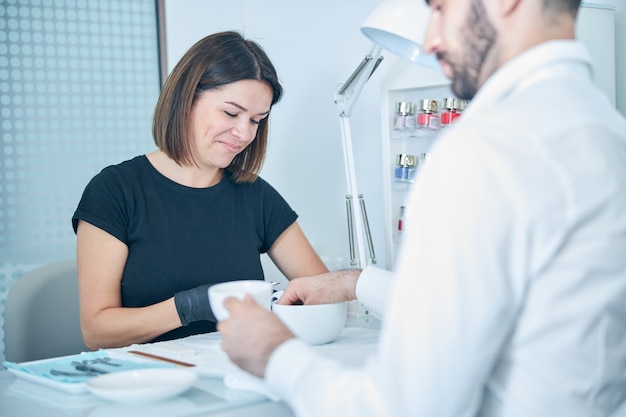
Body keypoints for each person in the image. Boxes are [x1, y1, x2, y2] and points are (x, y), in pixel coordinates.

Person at [218, 0, 626, 416]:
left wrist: (275, 355)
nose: (430, 40)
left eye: (441, 8)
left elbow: (401, 408)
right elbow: (509, 309)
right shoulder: (608, 133)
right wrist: (359, 282)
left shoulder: (487, 151)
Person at [72, 31, 328, 350]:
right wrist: (189, 307)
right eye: (231, 113)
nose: (244, 133)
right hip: (146, 383)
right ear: (188, 98)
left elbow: (320, 292)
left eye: (257, 120)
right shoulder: (115, 192)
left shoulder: (256, 196)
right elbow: (97, 331)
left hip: (236, 377)